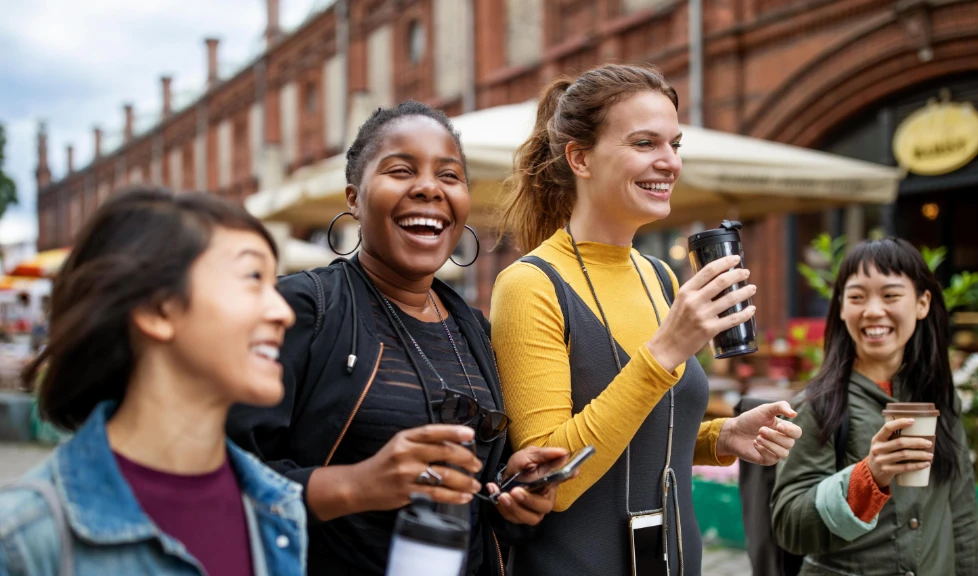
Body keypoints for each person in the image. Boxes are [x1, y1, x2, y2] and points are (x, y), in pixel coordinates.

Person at [489, 63, 803, 576]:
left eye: (675, 144)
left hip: (675, 560)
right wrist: (665, 352)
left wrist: (722, 437)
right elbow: (552, 480)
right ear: (580, 157)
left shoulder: (658, 275)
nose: (670, 163)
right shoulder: (530, 285)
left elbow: (649, 423)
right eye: (644, 144)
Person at [227, 101, 564, 576]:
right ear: (353, 198)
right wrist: (359, 484)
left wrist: (512, 500)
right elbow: (222, 478)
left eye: (450, 176)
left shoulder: (474, 331)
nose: (429, 187)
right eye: (401, 170)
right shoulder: (302, 309)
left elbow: (476, 505)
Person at [0, 189, 306, 576]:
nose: (284, 312)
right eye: (253, 277)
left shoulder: (277, 508)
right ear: (158, 309)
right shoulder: (24, 538)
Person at [771, 238, 978, 575]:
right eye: (857, 297)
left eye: (890, 295)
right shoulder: (817, 406)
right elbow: (789, 528)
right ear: (842, 307)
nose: (873, 311)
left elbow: (962, 518)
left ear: (922, 303)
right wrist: (868, 476)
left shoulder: (941, 399)